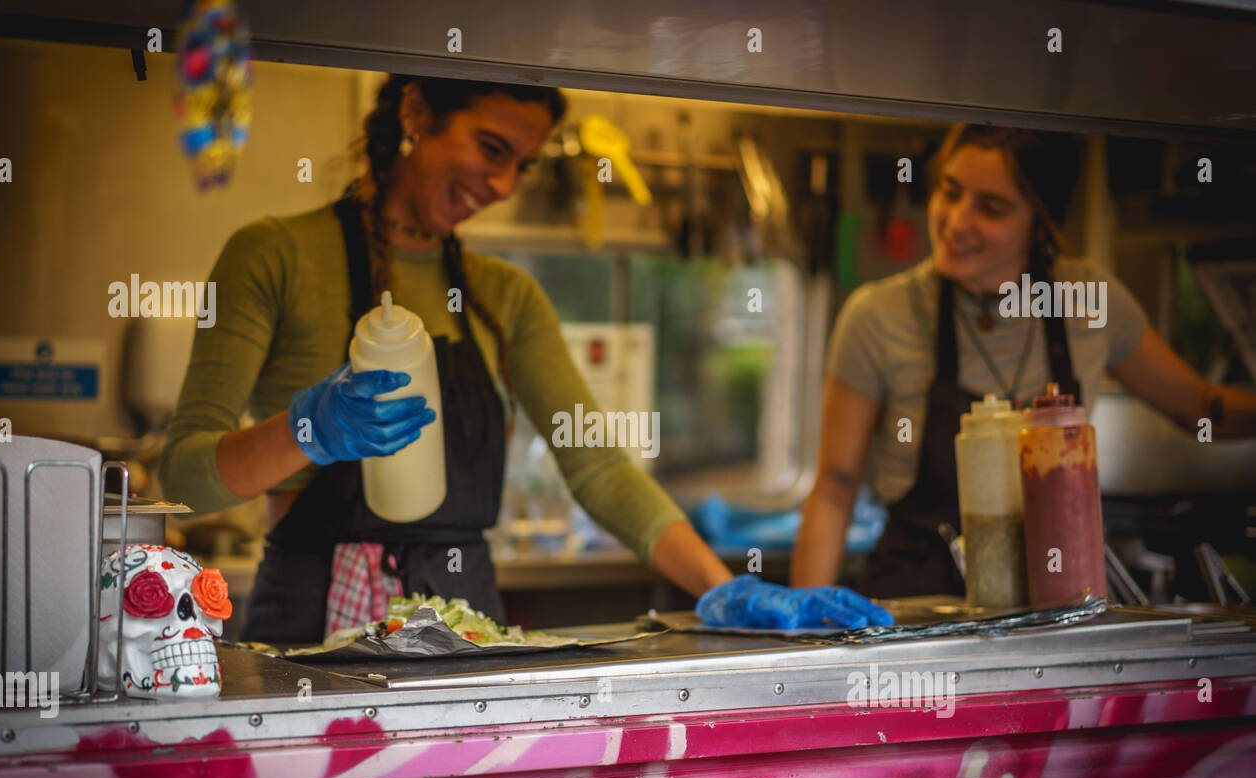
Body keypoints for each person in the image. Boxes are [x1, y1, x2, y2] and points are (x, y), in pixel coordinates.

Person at [160, 75, 891, 642]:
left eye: (524, 165)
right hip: (309, 633)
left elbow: (597, 465)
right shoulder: (274, 256)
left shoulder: (504, 295)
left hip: (465, 624)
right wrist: (307, 429)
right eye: (490, 149)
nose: (505, 185)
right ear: (416, 113)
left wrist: (719, 589)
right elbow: (185, 477)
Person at [792, 123, 1256, 598]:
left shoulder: (1086, 302)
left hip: (1055, 601)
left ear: (1041, 220)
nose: (957, 220)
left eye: (991, 207)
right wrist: (803, 634)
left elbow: (1202, 409)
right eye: (949, 192)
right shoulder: (879, 316)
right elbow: (834, 486)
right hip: (917, 604)